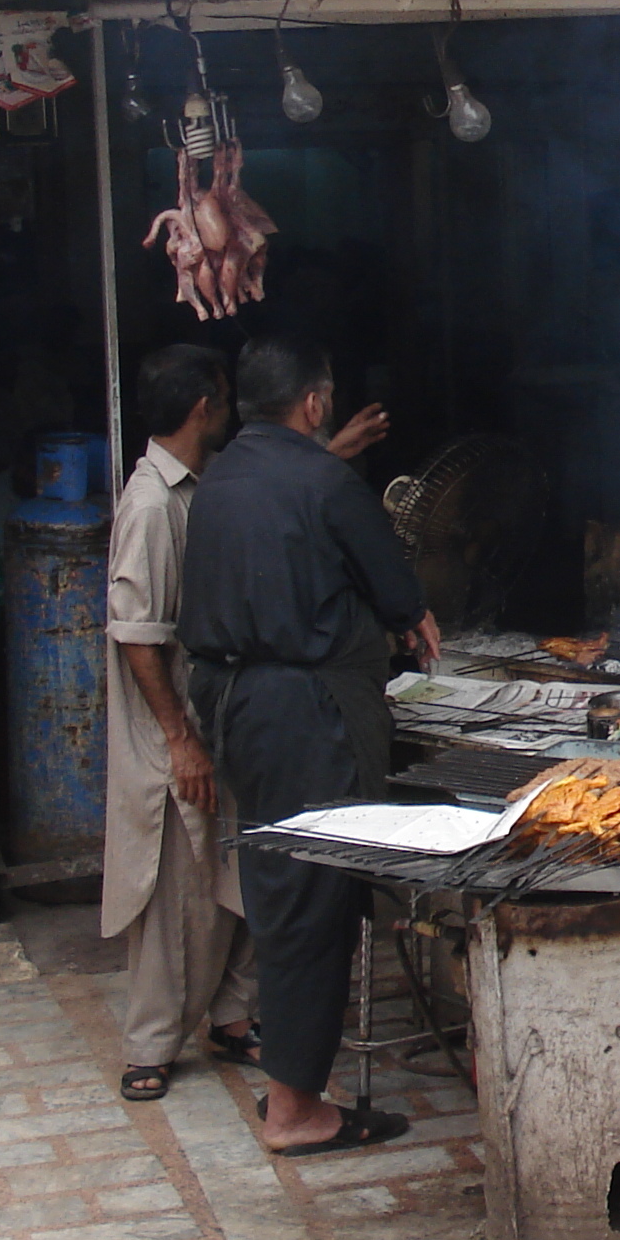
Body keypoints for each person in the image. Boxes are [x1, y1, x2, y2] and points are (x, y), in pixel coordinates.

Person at [182, 335, 436, 1159]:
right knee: (310, 901)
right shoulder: (326, 482)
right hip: (305, 712)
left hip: (236, 707)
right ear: (317, 401)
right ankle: (294, 1108)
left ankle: (296, 1090)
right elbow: (398, 592)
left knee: (284, 884)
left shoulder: (220, 476)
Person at [103, 344, 257, 1104]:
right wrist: (179, 738)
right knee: (176, 892)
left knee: (231, 871)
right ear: (204, 407)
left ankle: (231, 1019)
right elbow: (136, 635)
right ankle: (151, 1044)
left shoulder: (197, 487)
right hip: (173, 734)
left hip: (208, 715)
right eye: (224, 401)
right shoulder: (154, 505)